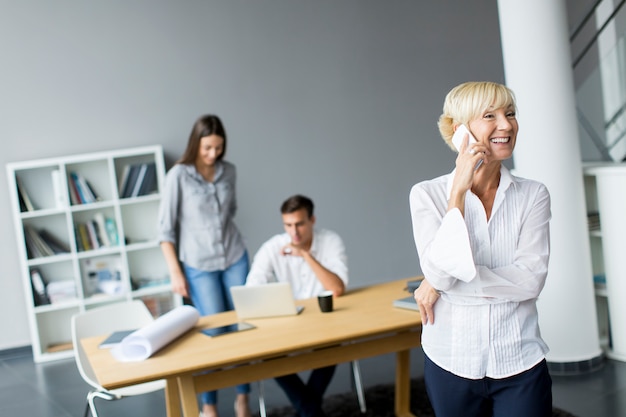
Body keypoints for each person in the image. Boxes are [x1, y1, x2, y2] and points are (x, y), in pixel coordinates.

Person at [409, 81, 553, 417]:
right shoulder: (426, 195)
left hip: (520, 360)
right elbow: (442, 275)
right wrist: (457, 192)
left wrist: (444, 282)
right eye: (490, 115)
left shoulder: (534, 195)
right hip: (451, 360)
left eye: (510, 114)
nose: (506, 125)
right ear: (460, 132)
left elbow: (531, 281)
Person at [157, 114, 252, 417]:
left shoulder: (229, 172)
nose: (214, 154)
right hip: (199, 263)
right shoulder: (178, 176)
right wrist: (176, 271)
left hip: (234, 256)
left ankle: (243, 400)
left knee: (243, 327)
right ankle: (208, 405)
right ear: (196, 143)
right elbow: (165, 231)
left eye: (219, 147)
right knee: (215, 331)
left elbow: (231, 211)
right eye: (208, 147)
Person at [246, 194, 348, 417]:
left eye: (300, 224)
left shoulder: (330, 240)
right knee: (269, 355)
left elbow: (337, 288)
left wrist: (304, 254)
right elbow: (252, 289)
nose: (294, 232)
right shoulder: (272, 247)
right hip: (286, 326)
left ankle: (306, 410)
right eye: (288, 225)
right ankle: (310, 411)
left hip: (325, 324)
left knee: (332, 345)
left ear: (312, 220)